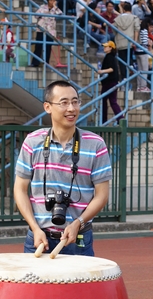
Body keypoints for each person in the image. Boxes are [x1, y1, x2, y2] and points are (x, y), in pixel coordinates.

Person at [14, 80, 112, 256]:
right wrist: (35, 228)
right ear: (47, 107)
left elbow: (102, 194)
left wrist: (78, 222)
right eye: (64, 102)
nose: (71, 108)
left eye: (75, 102)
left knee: (81, 284)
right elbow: (20, 189)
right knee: (35, 284)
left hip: (79, 238)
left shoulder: (96, 144)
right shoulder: (33, 141)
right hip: (38, 238)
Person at [30, 0, 62, 67]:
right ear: (48, 1)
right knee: (38, 46)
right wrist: (42, 14)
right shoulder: (42, 7)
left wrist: (54, 7)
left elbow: (60, 14)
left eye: (54, 0)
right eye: (51, 0)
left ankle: (46, 63)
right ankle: (35, 63)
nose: (52, 2)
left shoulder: (56, 9)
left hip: (50, 31)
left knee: (48, 47)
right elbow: (36, 15)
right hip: (41, 29)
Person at [113, 1, 140, 81]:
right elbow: (136, 29)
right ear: (131, 10)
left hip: (120, 42)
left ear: (123, 10)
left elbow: (114, 29)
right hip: (130, 42)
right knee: (129, 56)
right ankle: (131, 66)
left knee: (121, 60)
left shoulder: (117, 19)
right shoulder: (134, 18)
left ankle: (124, 77)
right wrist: (135, 41)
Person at [97, 41, 123, 123]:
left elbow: (112, 69)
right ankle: (120, 118)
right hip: (111, 82)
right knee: (112, 101)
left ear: (111, 48)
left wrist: (102, 71)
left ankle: (104, 120)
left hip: (109, 82)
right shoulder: (110, 56)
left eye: (106, 47)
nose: (104, 48)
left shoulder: (109, 57)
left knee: (105, 101)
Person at [136, 19, 153, 92]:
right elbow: (145, 42)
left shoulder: (138, 30)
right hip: (143, 51)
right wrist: (149, 43)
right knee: (145, 70)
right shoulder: (145, 31)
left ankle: (139, 86)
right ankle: (143, 86)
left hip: (137, 51)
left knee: (139, 70)